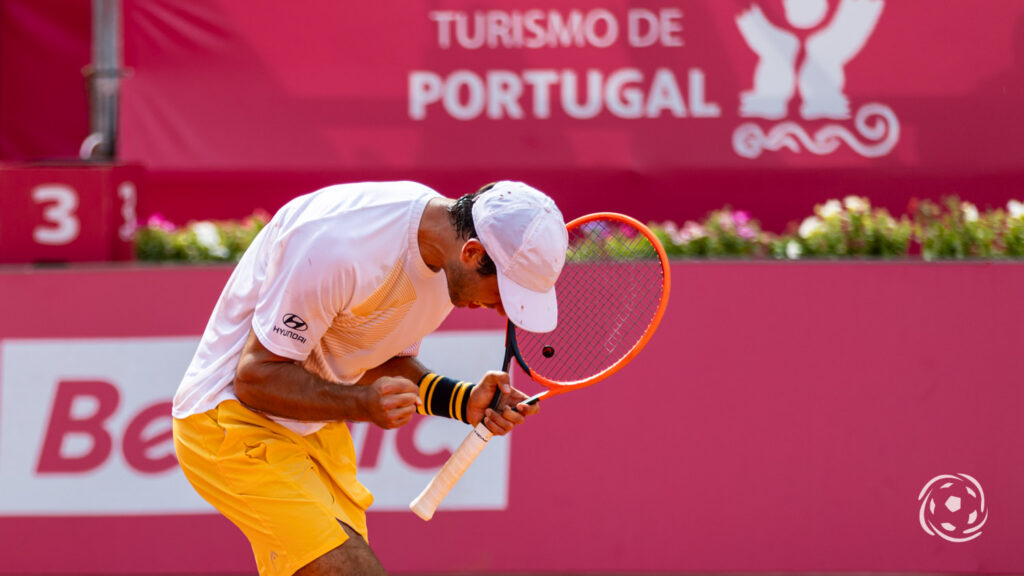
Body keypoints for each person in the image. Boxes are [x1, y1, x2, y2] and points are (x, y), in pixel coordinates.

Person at [171, 180, 568, 576]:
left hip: (314, 433)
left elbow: (378, 359)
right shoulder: (337, 247)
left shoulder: (447, 265)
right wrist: (361, 405)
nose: (503, 311)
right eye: (503, 293)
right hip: (228, 420)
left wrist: (462, 400)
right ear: (472, 252)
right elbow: (255, 377)